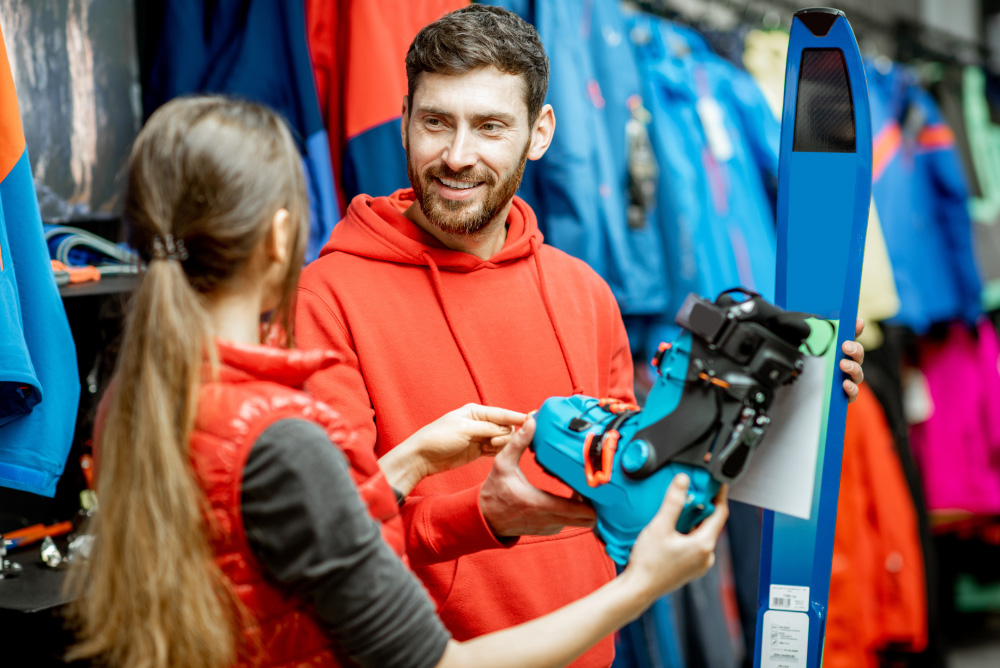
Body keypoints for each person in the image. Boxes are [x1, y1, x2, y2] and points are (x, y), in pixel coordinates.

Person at [65, 95, 728, 668]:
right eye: (436, 122)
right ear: (277, 238)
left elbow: (272, 548)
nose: (459, 154)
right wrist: (640, 585)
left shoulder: (134, 398)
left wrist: (410, 464)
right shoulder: (284, 437)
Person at [295, 6, 867, 667]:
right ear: (404, 122)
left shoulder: (585, 292)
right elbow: (332, 543)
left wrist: (786, 404)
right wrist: (484, 516)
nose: (456, 155)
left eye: (489, 126)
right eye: (435, 122)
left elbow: (637, 492)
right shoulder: (327, 297)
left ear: (539, 134)